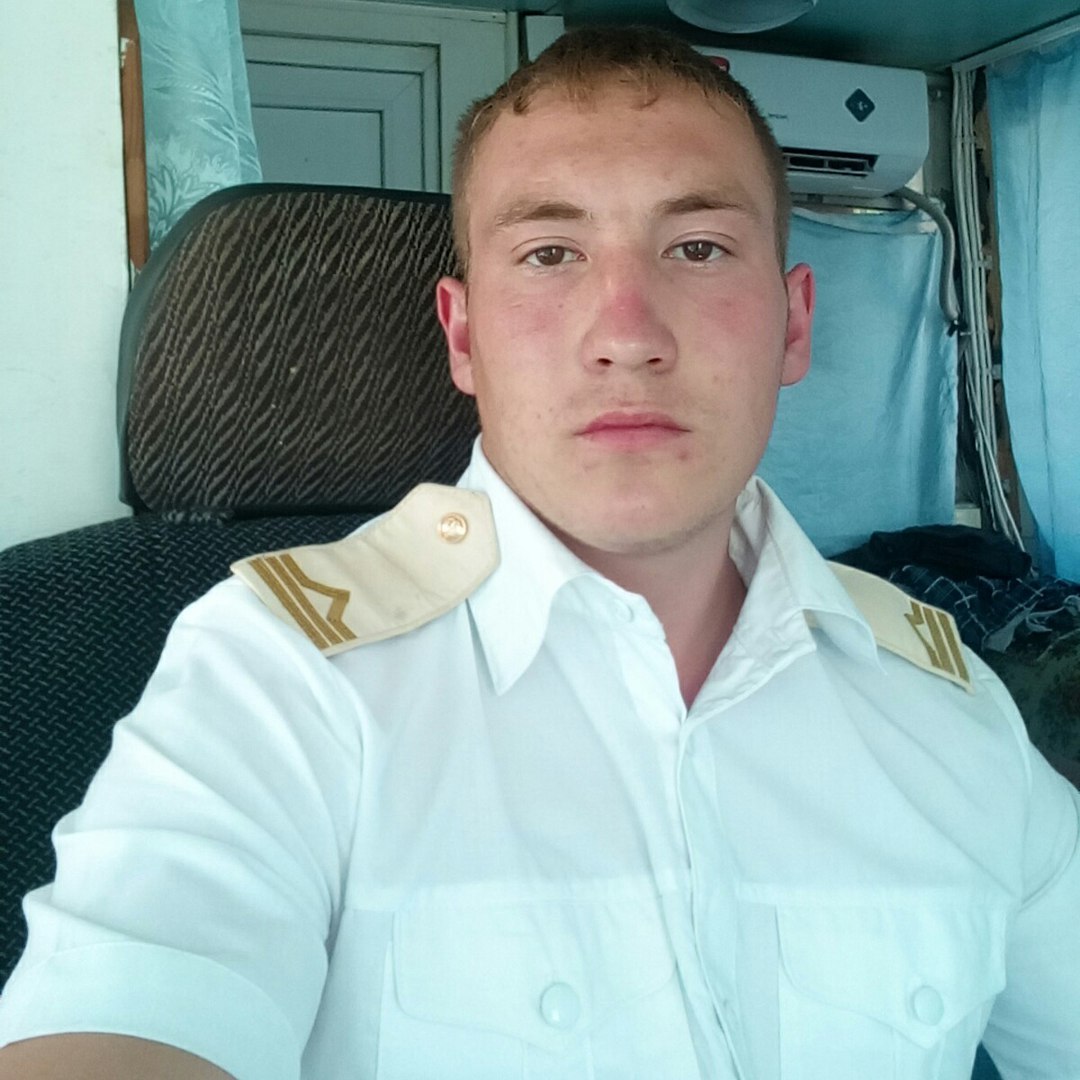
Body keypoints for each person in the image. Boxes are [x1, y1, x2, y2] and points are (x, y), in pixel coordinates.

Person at [1, 24, 1078, 1080]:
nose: (627, 333)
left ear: (793, 324)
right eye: (550, 254)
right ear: (464, 335)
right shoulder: (279, 676)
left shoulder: (950, 710)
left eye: (698, 248)